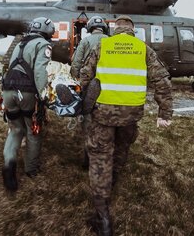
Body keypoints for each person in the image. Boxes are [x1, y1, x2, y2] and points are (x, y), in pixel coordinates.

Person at [79, 15, 173, 236]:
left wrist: (81, 101)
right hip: (131, 114)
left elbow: (84, 75)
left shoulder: (103, 45)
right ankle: (112, 182)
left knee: (101, 155)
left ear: (115, 30)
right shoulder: (143, 49)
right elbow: (162, 80)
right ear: (132, 31)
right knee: (121, 149)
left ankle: (102, 218)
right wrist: (164, 112)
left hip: (104, 114)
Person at [1, 17, 55, 192]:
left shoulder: (20, 43)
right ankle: (31, 170)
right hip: (27, 93)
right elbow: (40, 72)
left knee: (16, 129)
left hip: (8, 91)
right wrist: (45, 96)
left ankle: (9, 166)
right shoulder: (43, 45)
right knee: (33, 130)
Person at [70, 16, 108, 169]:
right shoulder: (110, 40)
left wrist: (75, 77)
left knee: (88, 122)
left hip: (89, 86)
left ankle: (88, 160)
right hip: (106, 87)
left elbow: (76, 63)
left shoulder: (85, 41)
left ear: (90, 28)